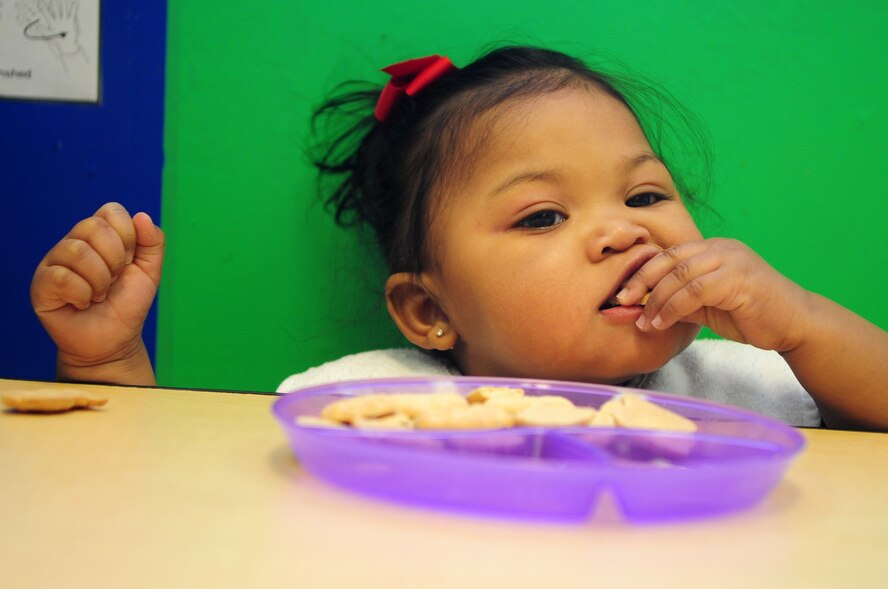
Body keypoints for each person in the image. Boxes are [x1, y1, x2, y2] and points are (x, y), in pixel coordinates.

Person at [30, 46, 888, 431]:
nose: (625, 228)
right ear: (429, 310)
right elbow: (147, 501)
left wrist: (801, 323)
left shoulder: (738, 381)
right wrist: (106, 366)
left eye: (647, 192)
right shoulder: (372, 402)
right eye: (543, 215)